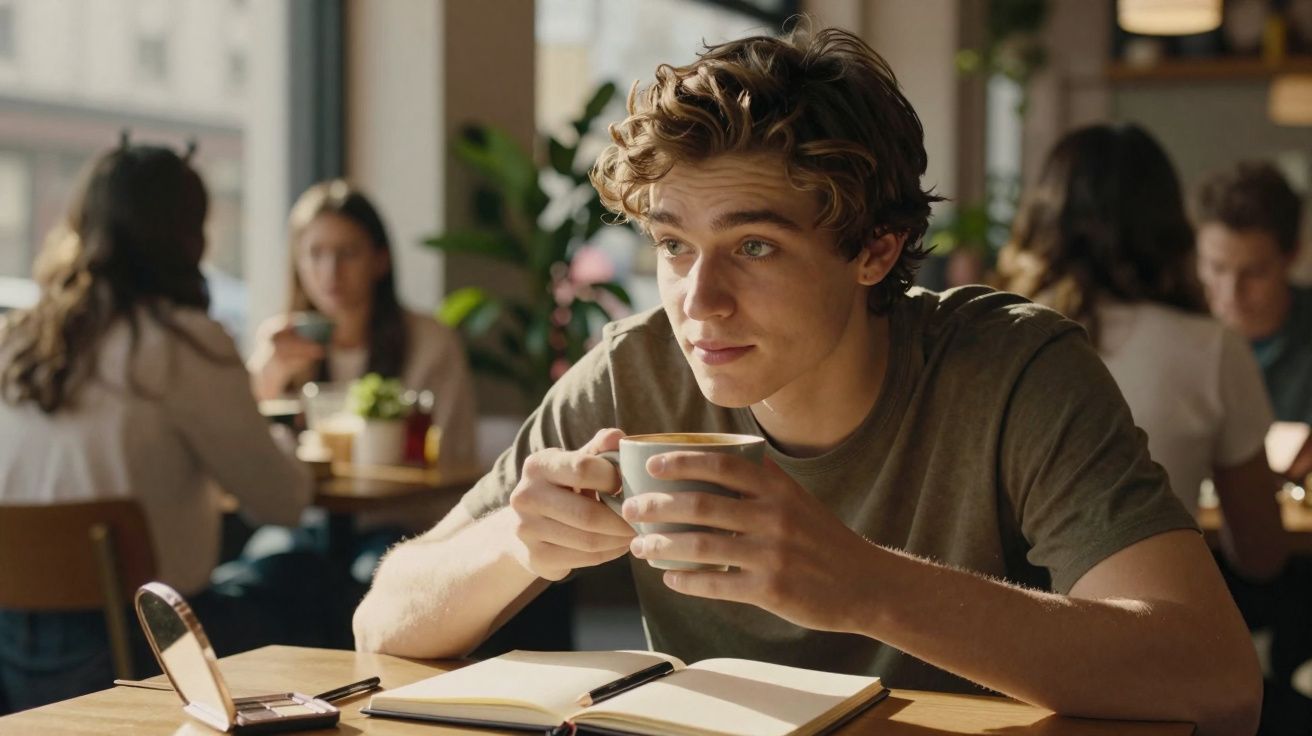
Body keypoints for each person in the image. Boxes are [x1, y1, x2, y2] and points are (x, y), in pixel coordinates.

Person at [354, 26, 1259, 735]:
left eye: (754, 246)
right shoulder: (637, 369)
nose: (698, 302)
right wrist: (520, 545)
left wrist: (862, 583)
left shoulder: (1012, 372)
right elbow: (383, 624)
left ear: (875, 249)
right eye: (673, 246)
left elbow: (1217, 684)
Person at [0, 143, 336, 712]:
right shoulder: (183, 342)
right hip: (136, 652)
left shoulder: (20, 340)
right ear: (190, 235)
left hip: (11, 654)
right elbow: (281, 501)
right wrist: (283, 439)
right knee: (306, 570)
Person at [998, 123, 1287, 580]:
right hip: (1147, 634)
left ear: (1042, 217)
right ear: (1171, 226)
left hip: (996, 635)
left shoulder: (992, 336)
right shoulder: (1210, 348)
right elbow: (1260, 552)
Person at [245, 181, 477, 581]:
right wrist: (266, 378)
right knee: (261, 572)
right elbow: (244, 456)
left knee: (374, 576)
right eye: (314, 254)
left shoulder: (429, 342)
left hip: (397, 522)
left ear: (380, 260)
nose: (329, 272)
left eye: (347, 253)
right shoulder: (281, 346)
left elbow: (452, 452)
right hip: (307, 522)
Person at [1194, 162, 1312, 483]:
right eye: (1216, 268)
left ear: (1292, 256)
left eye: (1255, 272)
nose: (1231, 292)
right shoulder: (1178, 337)